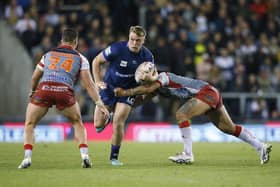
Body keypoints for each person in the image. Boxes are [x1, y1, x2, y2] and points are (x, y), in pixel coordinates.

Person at [114, 62, 272, 165]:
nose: (142, 83)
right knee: (229, 128)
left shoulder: (163, 77)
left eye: (143, 79)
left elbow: (147, 89)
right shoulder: (155, 88)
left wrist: (125, 91)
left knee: (181, 114)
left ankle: (188, 154)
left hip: (205, 93)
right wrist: (118, 108)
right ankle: (261, 147)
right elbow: (141, 99)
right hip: (209, 93)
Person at [18, 28, 109, 169]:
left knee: (30, 123)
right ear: (76, 42)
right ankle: (84, 155)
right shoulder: (80, 58)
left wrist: (33, 90)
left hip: (45, 89)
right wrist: (100, 104)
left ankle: (27, 158)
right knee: (77, 122)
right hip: (64, 91)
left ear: (61, 40)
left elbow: (35, 76)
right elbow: (89, 85)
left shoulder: (47, 55)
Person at [92, 26, 154, 166]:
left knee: (119, 121)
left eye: (138, 40)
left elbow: (149, 78)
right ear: (128, 37)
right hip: (109, 87)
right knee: (97, 125)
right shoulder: (117, 49)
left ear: (143, 40)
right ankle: (109, 116)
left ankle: (114, 157)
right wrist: (97, 82)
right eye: (132, 39)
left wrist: (143, 86)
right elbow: (96, 61)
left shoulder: (147, 57)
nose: (134, 43)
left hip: (128, 91)